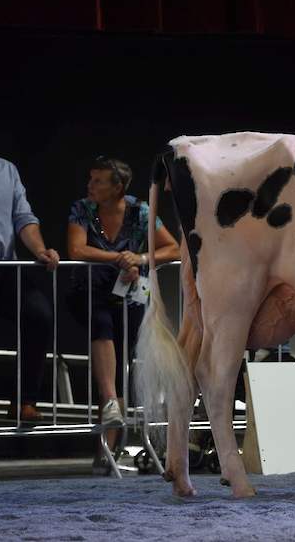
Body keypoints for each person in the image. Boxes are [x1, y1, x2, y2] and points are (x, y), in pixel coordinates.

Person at [65, 157, 178, 463]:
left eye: (98, 180)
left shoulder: (140, 211)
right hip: (90, 290)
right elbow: (76, 249)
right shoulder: (82, 209)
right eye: (91, 179)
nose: (90, 185)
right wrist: (118, 258)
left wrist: (139, 259)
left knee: (124, 359)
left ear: (118, 187)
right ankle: (112, 404)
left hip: (129, 293)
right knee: (101, 326)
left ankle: (108, 450)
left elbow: (174, 248)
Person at [0, 156, 59, 422]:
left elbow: (23, 218)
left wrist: (40, 250)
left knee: (38, 313)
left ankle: (24, 401)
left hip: (4, 269)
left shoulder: (5, 169)